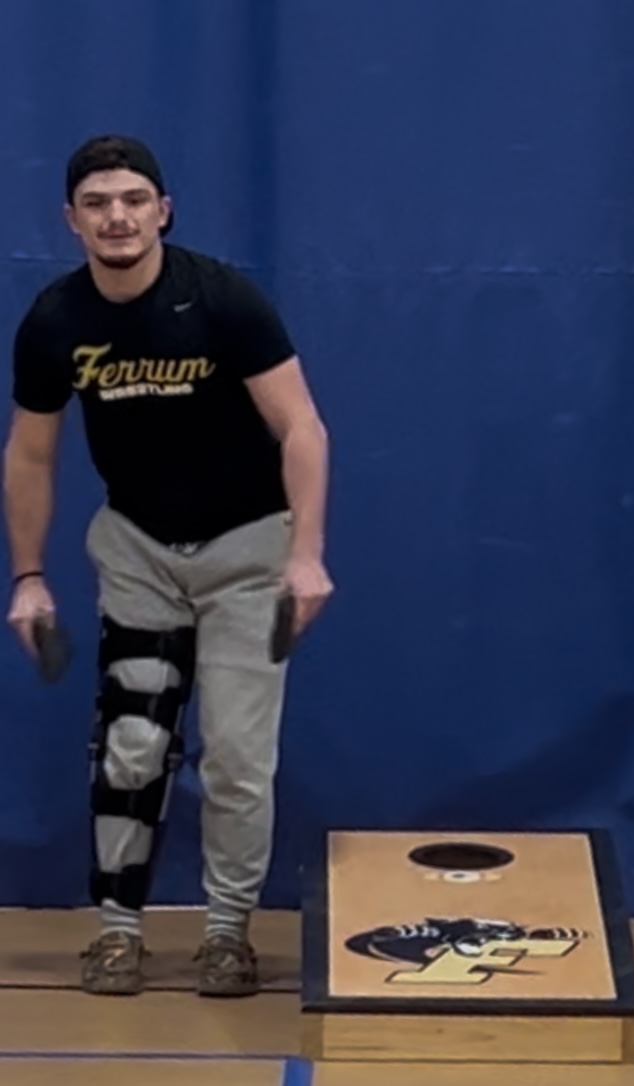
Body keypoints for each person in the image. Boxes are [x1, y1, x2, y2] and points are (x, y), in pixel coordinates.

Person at [3, 135, 333, 998]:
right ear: (71, 221)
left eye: (134, 200)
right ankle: (118, 931)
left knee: (235, 756)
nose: (118, 217)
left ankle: (227, 932)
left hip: (248, 552)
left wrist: (306, 557)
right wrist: (28, 575)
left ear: (164, 210)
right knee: (133, 744)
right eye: (99, 203)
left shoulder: (221, 300)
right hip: (140, 550)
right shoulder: (55, 322)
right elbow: (31, 455)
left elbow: (302, 429)